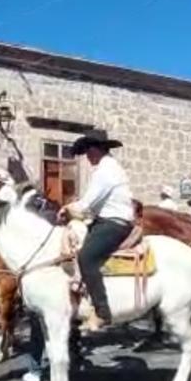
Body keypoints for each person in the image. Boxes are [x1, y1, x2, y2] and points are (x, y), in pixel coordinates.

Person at [58, 129, 135, 330]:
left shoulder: (106, 171)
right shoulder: (106, 168)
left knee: (86, 257)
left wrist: (67, 208)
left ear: (96, 150)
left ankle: (102, 311)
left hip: (114, 222)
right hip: (104, 220)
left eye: (88, 152)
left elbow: (88, 204)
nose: (87, 157)